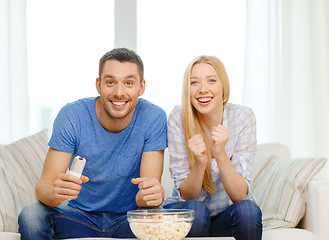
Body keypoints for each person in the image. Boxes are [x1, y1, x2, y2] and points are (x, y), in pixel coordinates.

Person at [18, 48, 168, 239]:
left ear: (141, 87)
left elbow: (145, 196)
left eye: (129, 83)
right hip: (78, 217)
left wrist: (152, 196)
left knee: (170, 218)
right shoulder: (72, 115)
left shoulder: (153, 117)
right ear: (98, 85)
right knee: (31, 215)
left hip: (130, 220)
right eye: (110, 82)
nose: (119, 92)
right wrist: (54, 193)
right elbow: (43, 187)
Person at [162, 55, 262, 240]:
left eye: (211, 81)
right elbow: (187, 194)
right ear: (187, 89)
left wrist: (220, 154)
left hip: (225, 215)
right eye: (194, 83)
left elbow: (240, 195)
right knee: (196, 211)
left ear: (223, 86)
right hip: (189, 210)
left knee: (248, 210)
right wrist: (200, 162)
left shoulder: (243, 117)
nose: (202, 90)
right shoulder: (178, 117)